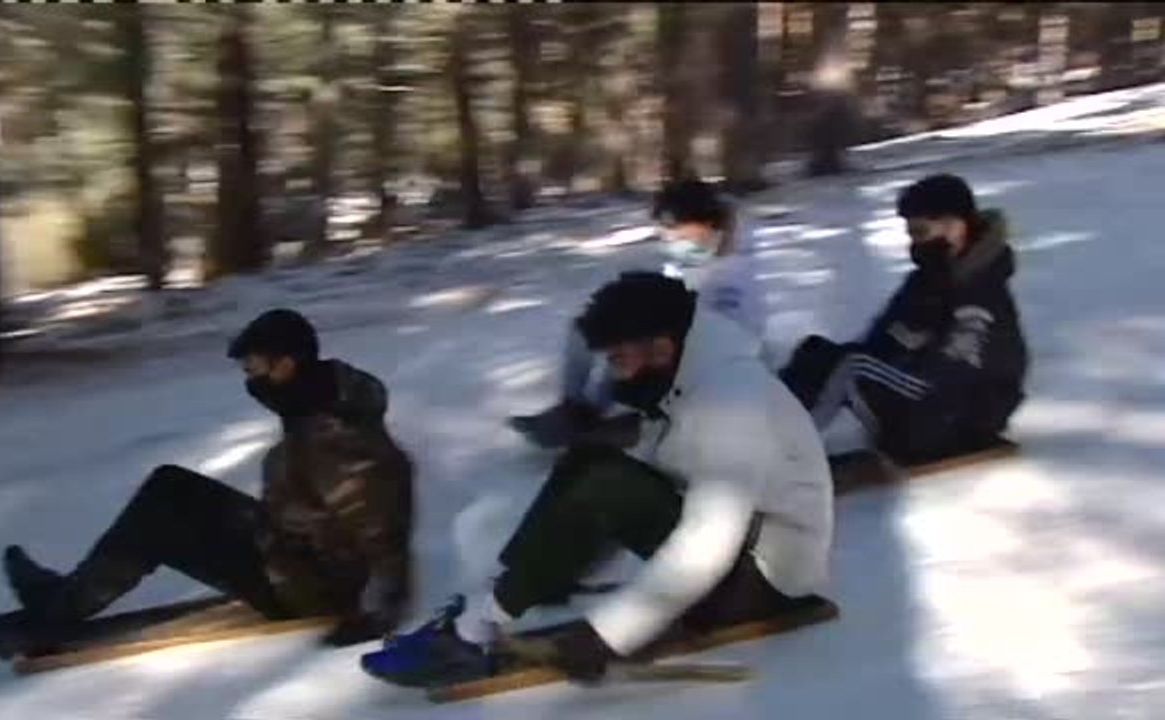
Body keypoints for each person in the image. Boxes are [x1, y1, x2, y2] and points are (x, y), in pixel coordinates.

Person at [362, 274, 832, 687]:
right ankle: (498, 601)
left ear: (661, 348)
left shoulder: (730, 402)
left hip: (765, 581)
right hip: (740, 552)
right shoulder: (684, 377)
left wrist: (609, 634)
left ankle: (472, 633)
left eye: (619, 358)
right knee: (590, 460)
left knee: (606, 481)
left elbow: (708, 540)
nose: (612, 371)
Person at [0, 309, 414, 647]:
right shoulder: (316, 403)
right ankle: (64, 597)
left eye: (254, 369)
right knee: (171, 486)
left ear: (286, 365)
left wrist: (377, 613)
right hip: (293, 547)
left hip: (310, 586)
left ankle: (57, 609)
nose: (250, 381)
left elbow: (381, 528)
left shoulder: (333, 434)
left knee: (161, 510)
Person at [779, 173, 1028, 465]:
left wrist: (878, 367)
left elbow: (950, 371)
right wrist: (828, 362)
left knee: (852, 367)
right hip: (931, 403)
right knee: (818, 353)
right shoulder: (928, 279)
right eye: (911, 234)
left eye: (921, 232)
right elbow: (881, 340)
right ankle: (759, 431)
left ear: (956, 226)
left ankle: (784, 455)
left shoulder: (981, 290)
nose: (915, 244)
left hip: (966, 418)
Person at [509, 177, 768, 449]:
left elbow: (729, 338)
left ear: (713, 226)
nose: (676, 243)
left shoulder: (733, 278)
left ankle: (624, 424)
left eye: (684, 236)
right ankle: (576, 409)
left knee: (631, 347)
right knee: (592, 329)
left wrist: (656, 336)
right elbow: (674, 287)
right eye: (668, 236)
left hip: (716, 365)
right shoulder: (697, 254)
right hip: (681, 340)